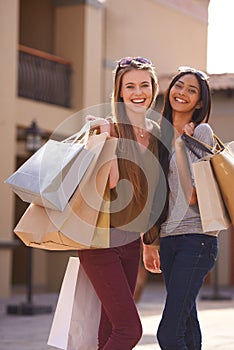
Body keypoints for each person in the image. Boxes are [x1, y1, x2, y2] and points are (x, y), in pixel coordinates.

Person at [77, 56, 161, 350]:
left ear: (153, 88)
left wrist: (151, 241)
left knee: (110, 329)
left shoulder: (156, 132)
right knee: (129, 330)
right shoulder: (109, 128)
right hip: (100, 241)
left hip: (130, 242)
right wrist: (105, 138)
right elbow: (111, 184)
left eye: (144, 85)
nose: (138, 92)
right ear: (120, 92)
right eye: (130, 86)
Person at [143, 66, 219, 350]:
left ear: (200, 102)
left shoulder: (201, 131)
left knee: (168, 334)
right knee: (186, 327)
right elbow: (154, 196)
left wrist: (179, 147)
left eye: (192, 90)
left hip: (196, 240)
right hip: (169, 241)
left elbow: (192, 195)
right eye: (179, 86)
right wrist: (149, 243)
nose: (182, 93)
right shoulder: (158, 135)